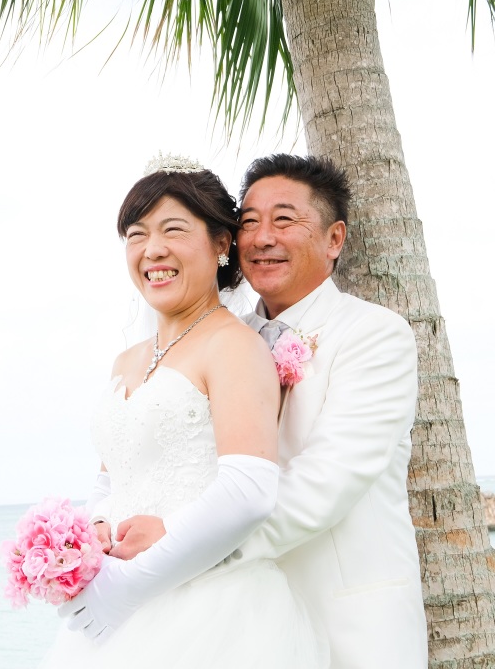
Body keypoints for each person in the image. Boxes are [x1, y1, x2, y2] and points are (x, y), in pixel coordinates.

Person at [114, 153, 428, 669]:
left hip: (349, 623)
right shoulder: (219, 336)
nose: (262, 238)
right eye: (250, 223)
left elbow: (324, 485)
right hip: (233, 625)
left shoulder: (375, 335)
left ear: (334, 239)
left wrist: (185, 544)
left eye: (284, 220)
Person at [39, 157, 326, 668]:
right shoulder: (126, 360)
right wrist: (96, 527)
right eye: (137, 233)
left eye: (174, 230)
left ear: (221, 244)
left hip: (209, 611)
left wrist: (129, 586)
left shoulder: (234, 347)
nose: (153, 250)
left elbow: (248, 491)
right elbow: (113, 479)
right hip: (119, 610)